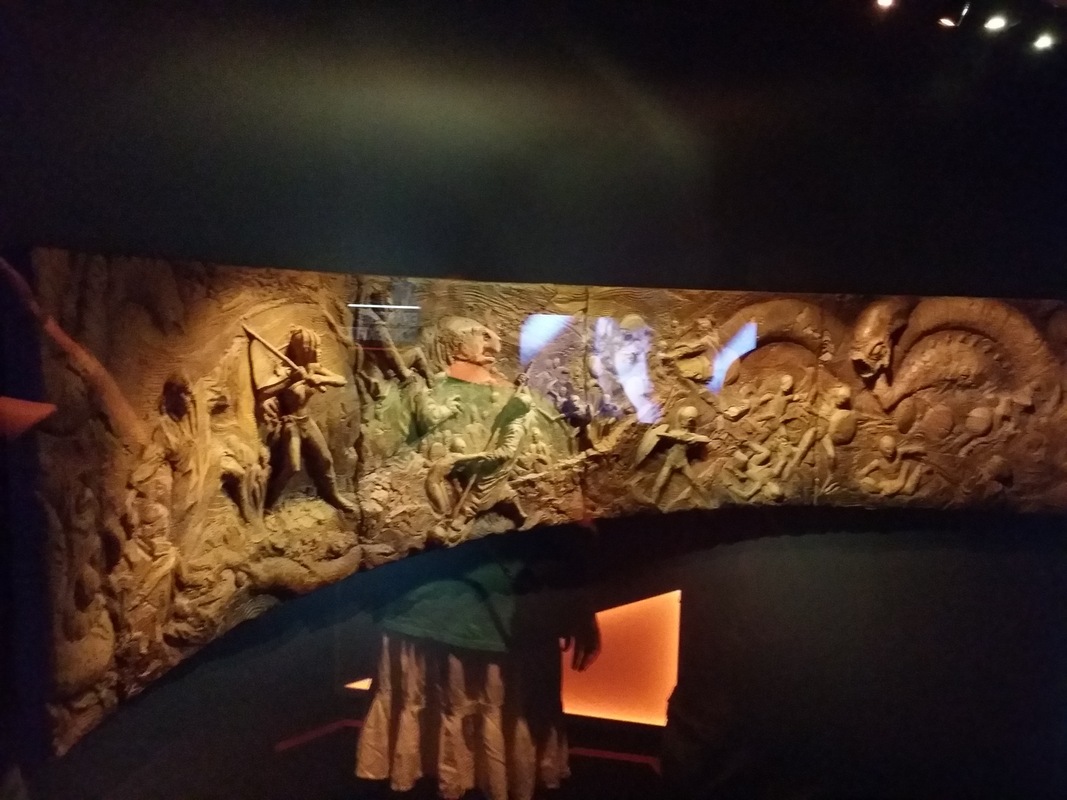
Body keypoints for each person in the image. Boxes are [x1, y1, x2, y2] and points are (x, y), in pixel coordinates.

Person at [355, 527, 600, 800]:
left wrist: (579, 602)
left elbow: (574, 527)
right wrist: (580, 602)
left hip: (506, 601)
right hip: (429, 593)